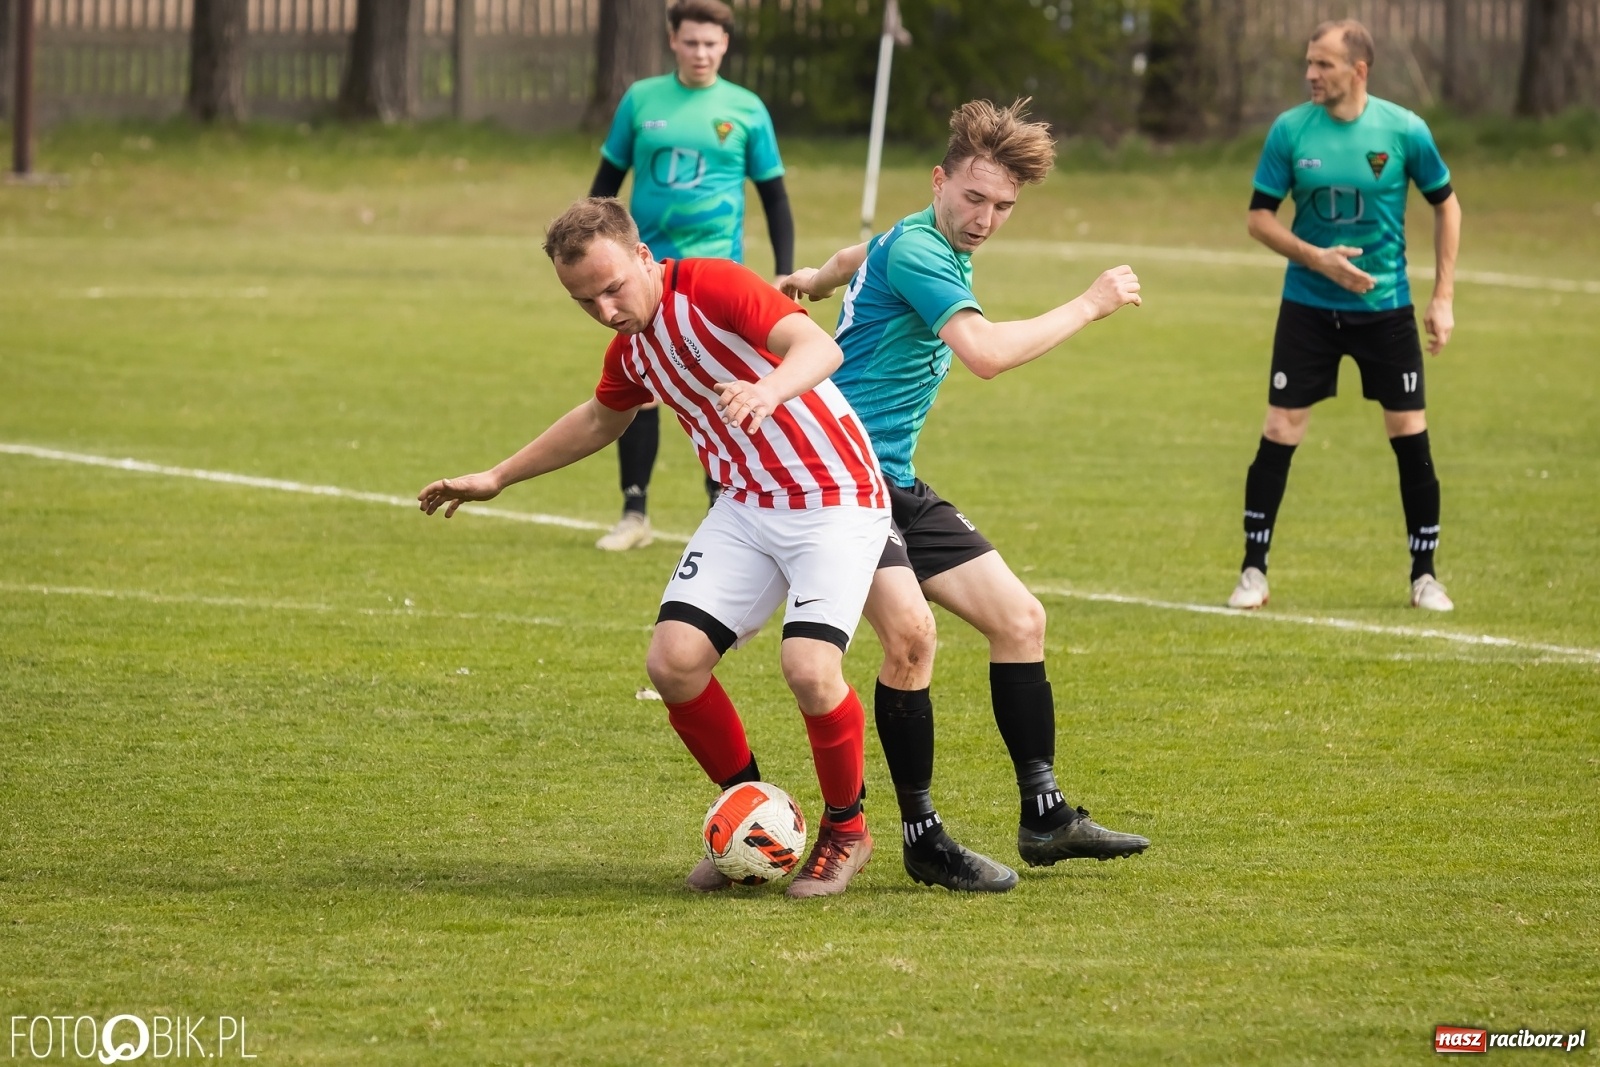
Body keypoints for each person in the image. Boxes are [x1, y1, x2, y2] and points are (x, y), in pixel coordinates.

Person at [419, 198, 887, 898]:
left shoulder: (712, 285)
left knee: (811, 669)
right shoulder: (633, 347)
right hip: (748, 504)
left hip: (835, 497)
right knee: (673, 662)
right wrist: (498, 476)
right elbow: (600, 418)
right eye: (585, 301)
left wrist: (767, 389)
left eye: (612, 287)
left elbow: (819, 348)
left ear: (644, 256)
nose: (606, 309)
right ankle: (748, 815)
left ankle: (847, 829)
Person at [782, 100, 1150, 893]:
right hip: (841, 483)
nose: (986, 219)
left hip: (893, 477)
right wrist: (1090, 303)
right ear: (940, 179)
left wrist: (815, 278)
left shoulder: (915, 235)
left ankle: (1046, 818)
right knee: (912, 642)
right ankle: (921, 836)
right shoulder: (923, 247)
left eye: (1004, 207)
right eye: (975, 199)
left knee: (1020, 619)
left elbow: (861, 250)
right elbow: (981, 353)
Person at [1227, 18, 1461, 613]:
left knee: (1408, 434)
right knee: (1281, 429)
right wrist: (1318, 260)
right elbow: (1258, 218)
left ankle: (1425, 576)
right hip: (1308, 307)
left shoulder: (1404, 130)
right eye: (1309, 62)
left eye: (1324, 64)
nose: (1311, 73)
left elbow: (1447, 205)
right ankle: (1253, 571)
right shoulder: (1289, 130)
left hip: (1385, 311)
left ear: (1359, 70)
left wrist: (1442, 297)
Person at [588, 0, 795, 552]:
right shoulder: (641, 101)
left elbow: (774, 197)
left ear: (725, 45)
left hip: (715, 279)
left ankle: (724, 511)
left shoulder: (746, 109)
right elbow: (604, 185)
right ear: (672, 40)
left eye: (712, 43)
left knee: (719, 389)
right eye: (691, 42)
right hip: (641, 278)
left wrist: (781, 270)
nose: (701, 53)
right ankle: (635, 513)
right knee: (640, 389)